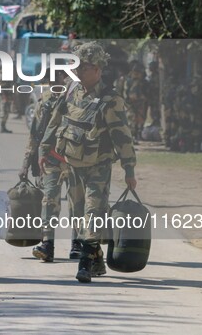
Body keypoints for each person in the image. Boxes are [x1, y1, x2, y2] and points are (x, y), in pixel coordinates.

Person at [39, 42, 137, 283]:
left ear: (99, 70)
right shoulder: (71, 91)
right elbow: (55, 121)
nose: (79, 72)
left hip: (98, 166)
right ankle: (97, 259)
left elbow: (122, 136)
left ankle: (84, 263)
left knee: (92, 213)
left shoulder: (110, 100)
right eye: (77, 67)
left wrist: (129, 169)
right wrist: (44, 149)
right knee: (78, 213)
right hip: (72, 164)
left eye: (85, 68)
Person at [19, 72, 82, 262]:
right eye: (52, 78)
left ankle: (77, 243)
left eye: (60, 76)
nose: (56, 81)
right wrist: (26, 163)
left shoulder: (79, 98)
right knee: (48, 200)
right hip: (50, 159)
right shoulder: (44, 100)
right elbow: (35, 133)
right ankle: (48, 243)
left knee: (77, 202)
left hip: (74, 159)